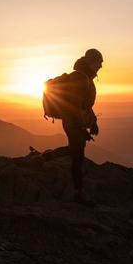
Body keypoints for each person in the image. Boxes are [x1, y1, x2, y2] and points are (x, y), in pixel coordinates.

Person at [43, 48, 103, 206]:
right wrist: (81, 129)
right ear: (90, 61)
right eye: (99, 62)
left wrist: (93, 122)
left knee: (75, 150)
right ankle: (78, 193)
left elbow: (85, 105)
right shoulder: (81, 78)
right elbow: (73, 107)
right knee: (78, 157)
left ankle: (48, 157)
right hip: (72, 121)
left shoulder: (86, 78)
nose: (101, 66)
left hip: (74, 122)